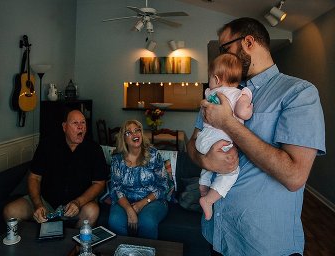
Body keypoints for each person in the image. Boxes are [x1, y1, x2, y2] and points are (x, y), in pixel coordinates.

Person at [187, 17, 325, 255]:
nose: (221, 56)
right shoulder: (217, 93)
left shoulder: (299, 93)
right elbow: (192, 144)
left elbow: (294, 176)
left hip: (261, 244)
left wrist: (228, 123)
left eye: (225, 48)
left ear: (248, 42)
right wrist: (204, 160)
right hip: (216, 235)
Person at [3, 110, 108, 227]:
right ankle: (28, 244)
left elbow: (99, 183)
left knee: (92, 211)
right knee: (10, 211)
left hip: (78, 204)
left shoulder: (94, 149)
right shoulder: (47, 145)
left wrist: (78, 202)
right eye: (75, 123)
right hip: (46, 202)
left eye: (83, 123)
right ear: (64, 127)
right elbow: (34, 177)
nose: (80, 127)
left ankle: (77, 245)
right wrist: (38, 204)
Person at [195, 53, 253, 221]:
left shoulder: (211, 93)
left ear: (217, 79)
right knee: (230, 171)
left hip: (203, 139)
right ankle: (208, 199)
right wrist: (249, 107)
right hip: (220, 140)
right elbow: (243, 112)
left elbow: (203, 109)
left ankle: (204, 184)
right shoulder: (238, 94)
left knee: (210, 160)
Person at [107, 120, 169, 239]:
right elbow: (116, 188)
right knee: (115, 221)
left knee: (147, 222)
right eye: (129, 133)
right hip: (124, 201)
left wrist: (141, 204)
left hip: (153, 200)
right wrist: (129, 210)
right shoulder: (117, 159)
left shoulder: (154, 155)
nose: (135, 134)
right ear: (124, 139)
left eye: (137, 130)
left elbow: (163, 185)